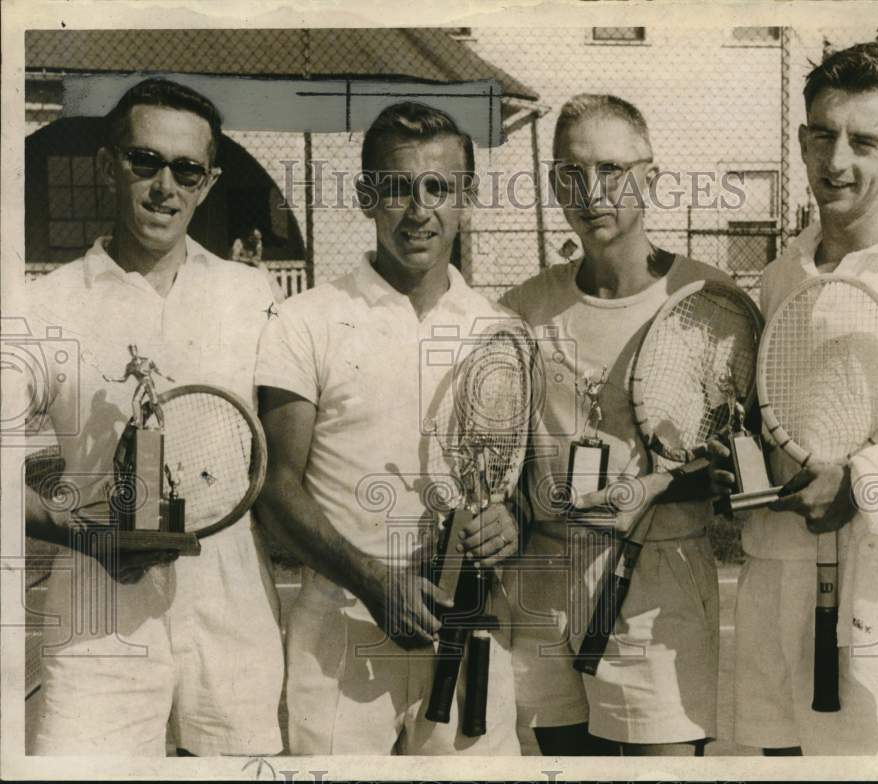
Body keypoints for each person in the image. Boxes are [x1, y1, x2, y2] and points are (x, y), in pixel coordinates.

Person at [711, 42, 878, 755]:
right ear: (800, 141)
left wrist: (866, 487)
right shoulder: (777, 276)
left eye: (864, 142)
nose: (838, 161)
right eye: (823, 135)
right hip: (778, 582)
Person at [21, 78, 285, 756]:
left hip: (234, 613)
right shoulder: (44, 306)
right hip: (97, 616)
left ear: (208, 181)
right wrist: (83, 535)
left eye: (186, 169)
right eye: (146, 161)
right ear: (109, 164)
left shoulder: (253, 295)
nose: (165, 185)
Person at [254, 101, 521, 755]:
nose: (418, 210)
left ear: (466, 199)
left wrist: (511, 521)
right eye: (398, 188)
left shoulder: (500, 329)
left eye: (439, 188)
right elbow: (275, 489)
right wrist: (374, 583)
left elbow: (520, 490)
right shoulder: (305, 319)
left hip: (470, 625)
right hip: (342, 626)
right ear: (367, 195)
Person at [500, 94, 732, 756]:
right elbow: (506, 466)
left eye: (612, 169)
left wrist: (655, 491)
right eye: (571, 173)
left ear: (652, 178)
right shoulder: (521, 308)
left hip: (660, 579)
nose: (591, 192)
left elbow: (731, 466)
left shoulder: (708, 300)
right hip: (544, 575)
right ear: (552, 184)